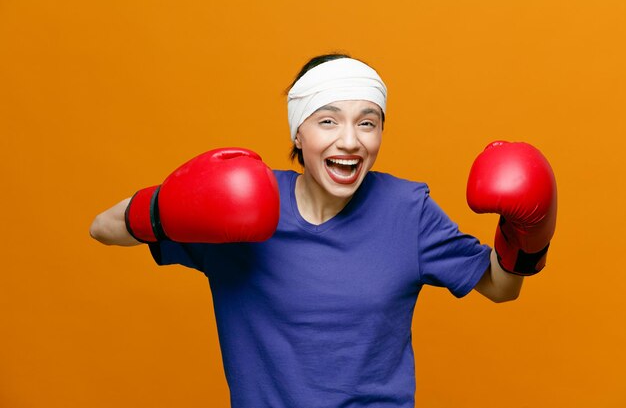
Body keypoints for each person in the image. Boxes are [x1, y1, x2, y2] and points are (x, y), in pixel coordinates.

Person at [90, 53, 557, 408]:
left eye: (367, 123)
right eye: (328, 120)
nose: (350, 140)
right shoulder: (240, 205)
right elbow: (103, 228)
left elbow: (500, 288)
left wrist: (527, 239)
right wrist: (170, 203)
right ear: (299, 133)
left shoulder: (406, 210)